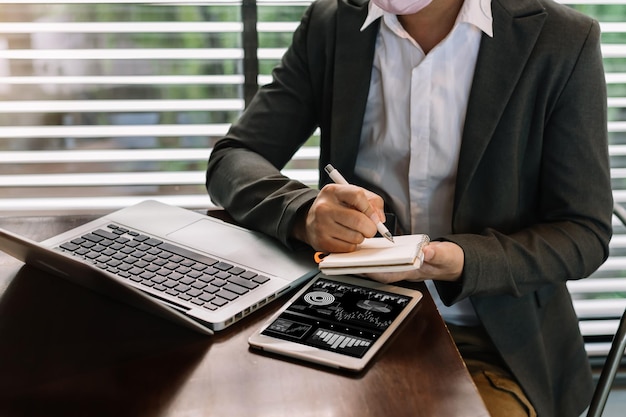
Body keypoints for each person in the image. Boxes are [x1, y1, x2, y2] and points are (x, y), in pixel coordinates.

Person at [206, 0, 613, 415]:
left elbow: (583, 232)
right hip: (342, 314)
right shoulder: (333, 23)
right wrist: (302, 211)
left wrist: (460, 261)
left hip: (488, 344)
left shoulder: (562, 39)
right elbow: (233, 158)